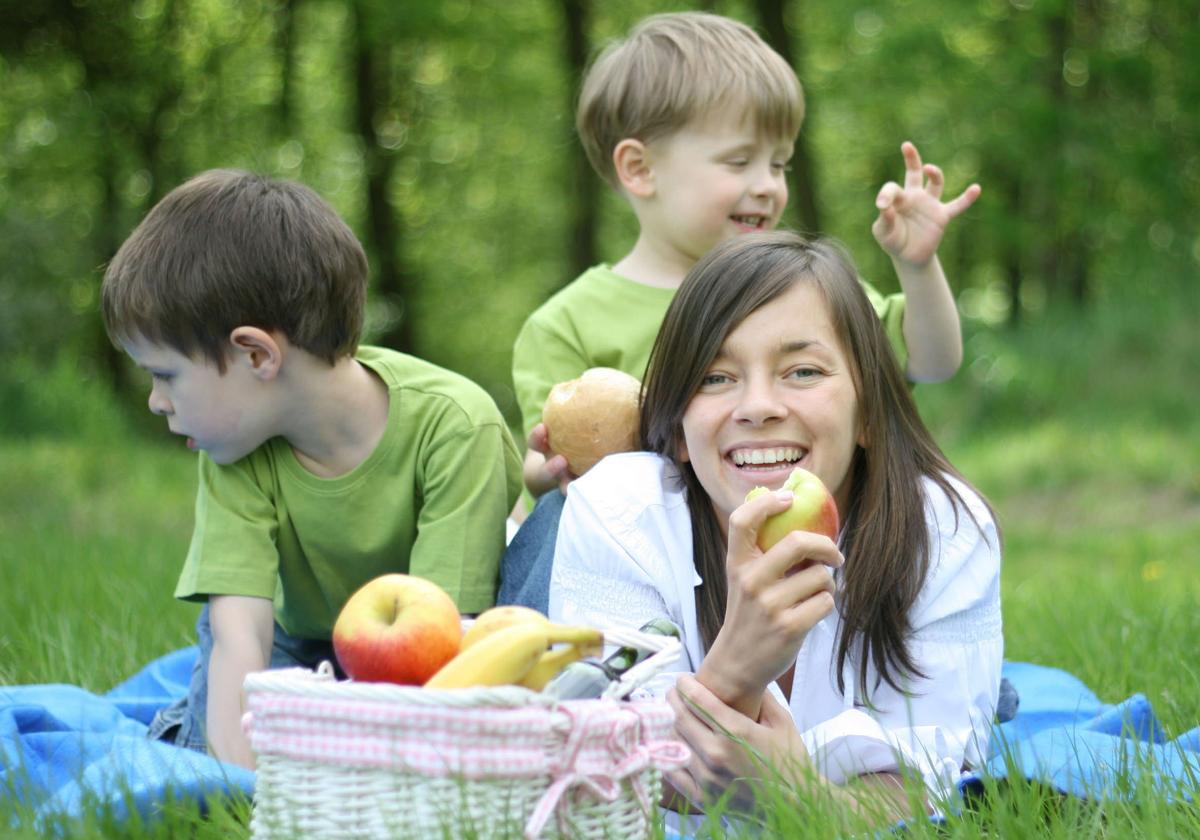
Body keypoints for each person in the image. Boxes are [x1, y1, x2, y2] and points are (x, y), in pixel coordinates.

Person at [547, 231, 1002, 824]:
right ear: (679, 429)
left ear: (867, 413)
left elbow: (930, 795)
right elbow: (612, 779)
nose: (757, 406)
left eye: (803, 371)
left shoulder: (943, 529)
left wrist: (788, 794)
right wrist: (739, 661)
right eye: (715, 377)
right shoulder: (615, 511)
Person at [100, 170, 522, 769]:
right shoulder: (234, 444)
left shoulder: (455, 427)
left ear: (256, 354)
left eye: (164, 374)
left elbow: (444, 643)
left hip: (432, 644)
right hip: (295, 648)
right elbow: (240, 632)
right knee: (206, 727)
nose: (155, 401)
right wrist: (234, 787)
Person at [511, 11, 980, 506]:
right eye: (739, 162)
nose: (768, 186)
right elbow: (545, 462)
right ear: (639, 168)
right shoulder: (566, 325)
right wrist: (549, 473)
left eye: (779, 164)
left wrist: (917, 265)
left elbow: (933, 362)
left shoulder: (805, 292)